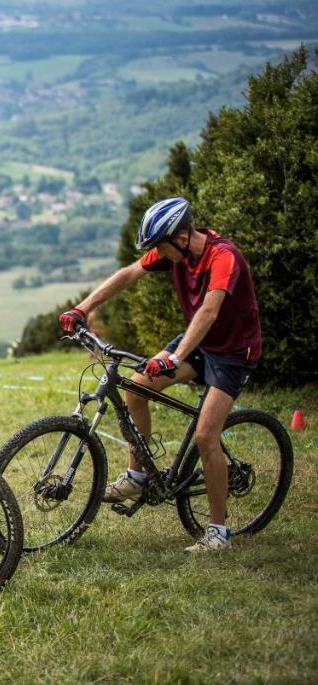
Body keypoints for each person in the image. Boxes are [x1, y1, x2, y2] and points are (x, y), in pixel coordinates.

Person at [59, 196, 261, 553]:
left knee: (205, 436)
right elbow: (129, 274)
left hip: (232, 354)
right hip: (199, 345)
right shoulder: (174, 251)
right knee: (136, 389)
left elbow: (210, 311)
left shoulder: (223, 257)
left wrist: (175, 357)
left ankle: (218, 532)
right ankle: (138, 476)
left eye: (160, 247)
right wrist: (83, 307)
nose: (158, 254)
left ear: (182, 237)